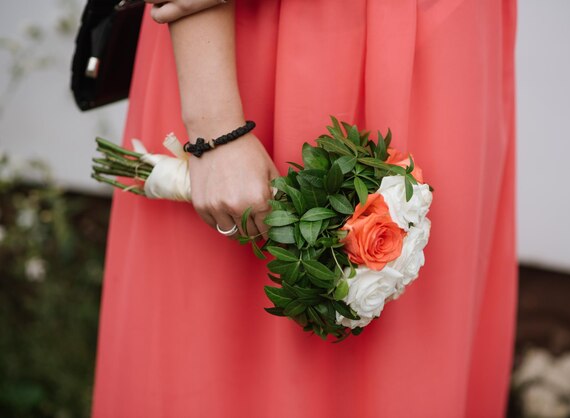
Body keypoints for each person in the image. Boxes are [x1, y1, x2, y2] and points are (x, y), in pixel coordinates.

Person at [91, 0, 518, 417]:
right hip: (257, 47)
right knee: (209, 349)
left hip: (446, 53)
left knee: (418, 351)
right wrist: (215, 129)